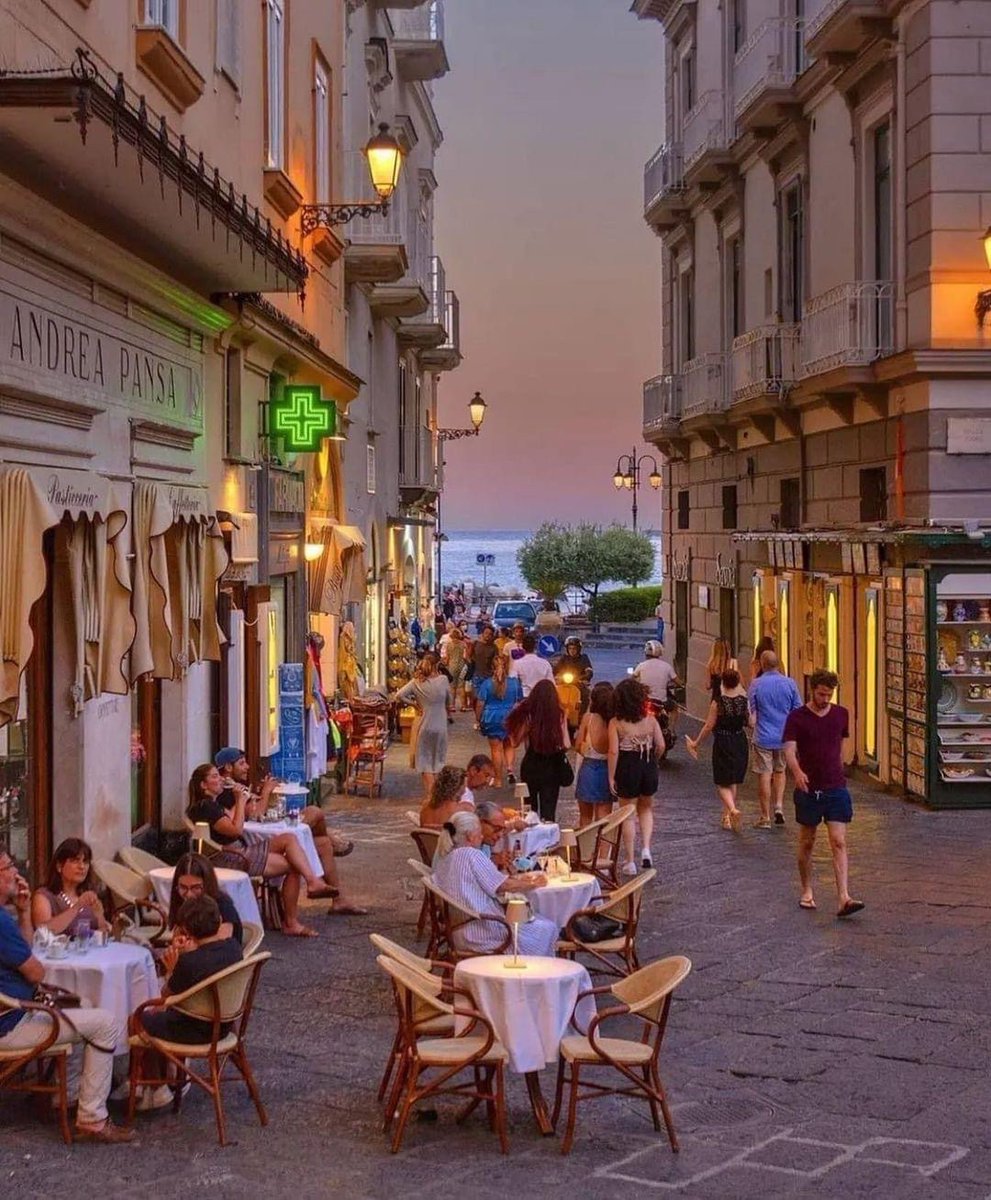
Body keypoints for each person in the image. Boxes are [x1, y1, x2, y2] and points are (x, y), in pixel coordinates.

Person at [0, 843, 133, 1142]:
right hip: (11, 1022)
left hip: (17, 1009)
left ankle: (69, 1094)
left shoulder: (7, 919)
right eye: (7, 868)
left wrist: (22, 914)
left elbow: (29, 950)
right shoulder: (4, 920)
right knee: (104, 1023)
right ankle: (93, 1118)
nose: (15, 872)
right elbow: (35, 970)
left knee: (83, 1003)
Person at [186, 763, 338, 938]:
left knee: (289, 838)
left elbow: (238, 819)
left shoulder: (212, 804)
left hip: (236, 849)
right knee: (294, 866)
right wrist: (240, 801)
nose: (220, 779)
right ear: (203, 785)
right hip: (229, 856)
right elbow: (236, 830)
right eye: (214, 777)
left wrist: (244, 800)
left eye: (218, 776)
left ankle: (312, 881)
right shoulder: (206, 808)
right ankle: (291, 923)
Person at [783, 670, 864, 918]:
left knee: (838, 841)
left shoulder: (841, 714)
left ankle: (844, 897)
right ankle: (807, 890)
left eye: (829, 694)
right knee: (807, 841)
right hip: (809, 789)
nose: (825, 698)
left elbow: (841, 743)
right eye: (821, 694)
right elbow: (788, 749)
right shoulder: (797, 717)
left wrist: (840, 766)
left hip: (835, 786)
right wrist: (796, 771)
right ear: (812, 690)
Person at [431, 812, 557, 956]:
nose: (482, 837)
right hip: (481, 931)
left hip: (457, 930)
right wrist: (535, 883)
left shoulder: (446, 857)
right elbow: (502, 886)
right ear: (470, 836)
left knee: (535, 921)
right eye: (479, 834)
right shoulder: (470, 854)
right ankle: (537, 974)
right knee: (547, 927)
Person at [215, 745, 356, 862]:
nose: (247, 766)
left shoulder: (235, 785)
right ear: (228, 767)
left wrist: (260, 793)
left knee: (316, 818)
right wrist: (266, 792)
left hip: (266, 825)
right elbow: (254, 814)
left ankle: (329, 842)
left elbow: (250, 806)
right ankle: (331, 842)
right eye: (242, 763)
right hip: (258, 836)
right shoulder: (227, 790)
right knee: (315, 814)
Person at [139, 895, 243, 1045]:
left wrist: (171, 971)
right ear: (219, 920)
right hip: (224, 1026)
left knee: (136, 1019)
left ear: (186, 930)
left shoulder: (189, 962)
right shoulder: (234, 947)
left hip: (193, 1030)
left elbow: (165, 999)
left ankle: (148, 1068)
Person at [608, 678, 667, 875]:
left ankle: (630, 861)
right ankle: (646, 850)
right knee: (646, 808)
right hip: (647, 764)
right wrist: (653, 761)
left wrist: (611, 776)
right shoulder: (651, 720)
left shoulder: (616, 723)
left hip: (627, 766)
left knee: (627, 814)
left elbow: (614, 752)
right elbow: (661, 745)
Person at [686, 669, 752, 833]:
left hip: (723, 740)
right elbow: (750, 723)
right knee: (733, 780)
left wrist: (696, 743)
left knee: (722, 781)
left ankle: (732, 810)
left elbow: (709, 725)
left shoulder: (718, 702)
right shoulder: (744, 700)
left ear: (722, 683)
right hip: (740, 740)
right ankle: (727, 817)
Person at [748, 651, 803, 827]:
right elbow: (798, 709)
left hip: (763, 736)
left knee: (765, 773)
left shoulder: (756, 684)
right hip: (784, 737)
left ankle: (765, 816)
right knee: (780, 771)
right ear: (778, 664)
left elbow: (752, 710)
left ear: (762, 664)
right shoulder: (790, 683)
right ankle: (778, 806)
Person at [506, 678, 571, 823]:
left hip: (531, 765)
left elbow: (515, 742)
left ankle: (532, 841)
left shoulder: (529, 715)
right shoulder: (559, 714)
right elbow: (566, 743)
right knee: (549, 812)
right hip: (552, 768)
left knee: (529, 811)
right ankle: (548, 842)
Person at [392, 652, 452, 801]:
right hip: (441, 726)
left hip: (424, 725)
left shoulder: (416, 682)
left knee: (425, 763)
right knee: (437, 762)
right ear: (437, 665)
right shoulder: (443, 680)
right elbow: (449, 701)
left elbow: (398, 695)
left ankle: (431, 797)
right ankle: (437, 796)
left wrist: (414, 704)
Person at [31, 837, 110, 938]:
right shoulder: (44, 896)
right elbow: (43, 932)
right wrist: (77, 907)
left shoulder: (88, 894)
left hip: (88, 951)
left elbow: (103, 931)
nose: (82, 867)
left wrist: (99, 915)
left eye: (85, 861)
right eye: (75, 861)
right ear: (59, 866)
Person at [166, 852, 243, 945]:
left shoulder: (223, 904)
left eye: (196, 887)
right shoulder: (180, 900)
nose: (189, 894)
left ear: (207, 885)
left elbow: (220, 944)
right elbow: (177, 937)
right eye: (183, 887)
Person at [474, 651, 524, 787]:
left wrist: (478, 719)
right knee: (509, 744)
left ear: (492, 667)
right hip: (510, 717)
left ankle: (498, 780)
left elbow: (480, 703)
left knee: (496, 750)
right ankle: (509, 769)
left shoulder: (487, 684)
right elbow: (519, 701)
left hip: (492, 718)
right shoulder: (514, 683)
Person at [574, 681, 615, 826]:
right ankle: (603, 849)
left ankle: (586, 848)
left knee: (585, 817)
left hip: (589, 769)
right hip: (607, 770)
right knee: (604, 818)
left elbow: (578, 746)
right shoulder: (614, 721)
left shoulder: (588, 718)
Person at [554, 636, 594, 717]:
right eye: (570, 648)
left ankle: (581, 715)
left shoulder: (584, 658)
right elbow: (555, 669)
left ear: (578, 649)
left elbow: (589, 670)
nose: (572, 651)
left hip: (578, 683)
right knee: (554, 694)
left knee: (586, 694)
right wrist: (556, 675)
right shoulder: (564, 658)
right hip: (564, 683)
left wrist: (586, 676)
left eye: (574, 648)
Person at [509, 633, 555, 698]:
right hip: (541, 698)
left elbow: (513, 683)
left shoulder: (517, 663)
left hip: (525, 697)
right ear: (535, 647)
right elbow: (551, 684)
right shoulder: (545, 663)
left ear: (523, 647)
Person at [442, 626, 470, 712]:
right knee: (461, 687)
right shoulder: (463, 644)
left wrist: (444, 663)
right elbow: (466, 657)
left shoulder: (449, 645)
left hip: (452, 666)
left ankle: (452, 705)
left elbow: (447, 658)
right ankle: (463, 705)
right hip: (462, 666)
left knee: (452, 687)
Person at [706, 639, 736, 704]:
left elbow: (708, 686)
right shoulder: (730, 664)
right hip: (728, 700)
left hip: (715, 699)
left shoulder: (711, 665)